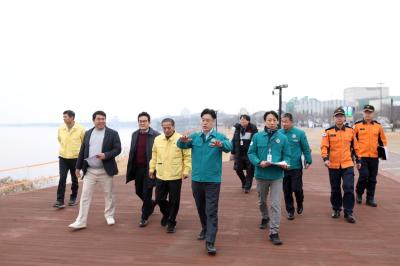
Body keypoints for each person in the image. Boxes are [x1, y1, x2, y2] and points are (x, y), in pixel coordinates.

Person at [177, 108, 232, 255]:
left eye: (208, 120)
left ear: (213, 122)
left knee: (211, 211)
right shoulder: (195, 136)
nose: (205, 123)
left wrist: (221, 145)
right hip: (197, 179)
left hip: (213, 180)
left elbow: (229, 147)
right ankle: (205, 228)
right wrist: (181, 140)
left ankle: (210, 241)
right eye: (203, 120)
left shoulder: (219, 136)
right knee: (201, 208)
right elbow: (181, 145)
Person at [69, 111, 121, 229]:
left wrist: (106, 155)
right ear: (94, 120)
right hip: (90, 171)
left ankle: (109, 215)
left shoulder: (112, 133)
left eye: (103, 119)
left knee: (109, 195)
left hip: (105, 170)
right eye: (99, 119)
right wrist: (78, 167)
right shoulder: (88, 133)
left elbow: (118, 149)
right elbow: (82, 151)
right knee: (85, 196)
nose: (101, 121)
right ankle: (81, 221)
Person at [248, 110, 290, 245]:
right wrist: (259, 162)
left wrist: (285, 164)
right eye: (269, 120)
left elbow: (287, 156)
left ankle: (274, 232)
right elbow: (251, 153)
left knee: (276, 204)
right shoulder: (257, 137)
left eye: (274, 120)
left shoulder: (283, 138)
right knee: (262, 202)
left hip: (277, 175)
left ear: (277, 121)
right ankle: (265, 217)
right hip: (261, 175)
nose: (272, 122)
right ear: (265, 122)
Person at [149, 118, 192, 233]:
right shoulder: (158, 139)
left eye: (169, 127)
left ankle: (171, 222)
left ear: (173, 127)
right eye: (164, 128)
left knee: (174, 200)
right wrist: (151, 168)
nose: (166, 130)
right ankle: (167, 214)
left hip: (175, 175)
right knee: (159, 199)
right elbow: (154, 155)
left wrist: (186, 171)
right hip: (161, 174)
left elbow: (187, 156)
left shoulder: (181, 139)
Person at [321, 107, 361, 224]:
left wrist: (358, 161)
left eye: (341, 116)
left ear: (344, 118)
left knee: (348, 187)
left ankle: (348, 211)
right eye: (337, 116)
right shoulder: (328, 132)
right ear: (334, 118)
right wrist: (325, 159)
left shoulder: (350, 131)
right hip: (333, 165)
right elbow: (324, 147)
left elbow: (356, 147)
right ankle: (336, 209)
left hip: (347, 164)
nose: (339, 118)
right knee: (335, 189)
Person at [126, 112, 160, 227]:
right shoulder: (134, 134)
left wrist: (155, 168)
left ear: (149, 122)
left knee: (147, 192)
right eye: (140, 121)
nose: (142, 123)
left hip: (149, 169)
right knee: (138, 191)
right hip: (137, 168)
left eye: (144, 121)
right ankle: (151, 204)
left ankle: (144, 216)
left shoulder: (156, 135)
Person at [279, 113, 312, 220]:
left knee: (296, 188)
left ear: (291, 122)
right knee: (286, 190)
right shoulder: (278, 133)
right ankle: (290, 211)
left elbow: (306, 148)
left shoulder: (300, 133)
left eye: (286, 121)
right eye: (282, 121)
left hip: (296, 166)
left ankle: (300, 202)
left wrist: (308, 160)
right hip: (283, 167)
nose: (284, 124)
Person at [354, 104, 388, 207]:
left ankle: (370, 198)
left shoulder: (378, 126)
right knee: (364, 175)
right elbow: (353, 141)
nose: (368, 114)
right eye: (366, 112)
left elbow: (383, 141)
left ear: (373, 114)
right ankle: (359, 193)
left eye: (370, 112)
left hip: (374, 156)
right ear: (363, 113)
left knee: (373, 178)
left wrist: (383, 154)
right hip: (361, 156)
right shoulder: (357, 126)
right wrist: (355, 155)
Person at [54, 110, 85, 209]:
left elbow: (84, 143)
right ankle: (60, 200)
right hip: (63, 157)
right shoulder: (61, 128)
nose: (64, 118)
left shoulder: (80, 129)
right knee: (62, 178)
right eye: (63, 117)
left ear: (72, 118)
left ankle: (73, 198)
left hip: (76, 158)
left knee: (74, 179)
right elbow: (59, 140)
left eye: (65, 117)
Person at [231, 114, 258, 193]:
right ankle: (244, 182)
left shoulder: (253, 129)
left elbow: (256, 141)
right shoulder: (237, 129)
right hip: (239, 153)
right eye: (241, 119)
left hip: (249, 153)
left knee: (250, 170)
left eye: (244, 119)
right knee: (238, 169)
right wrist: (232, 152)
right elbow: (233, 141)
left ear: (248, 121)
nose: (242, 121)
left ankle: (247, 187)